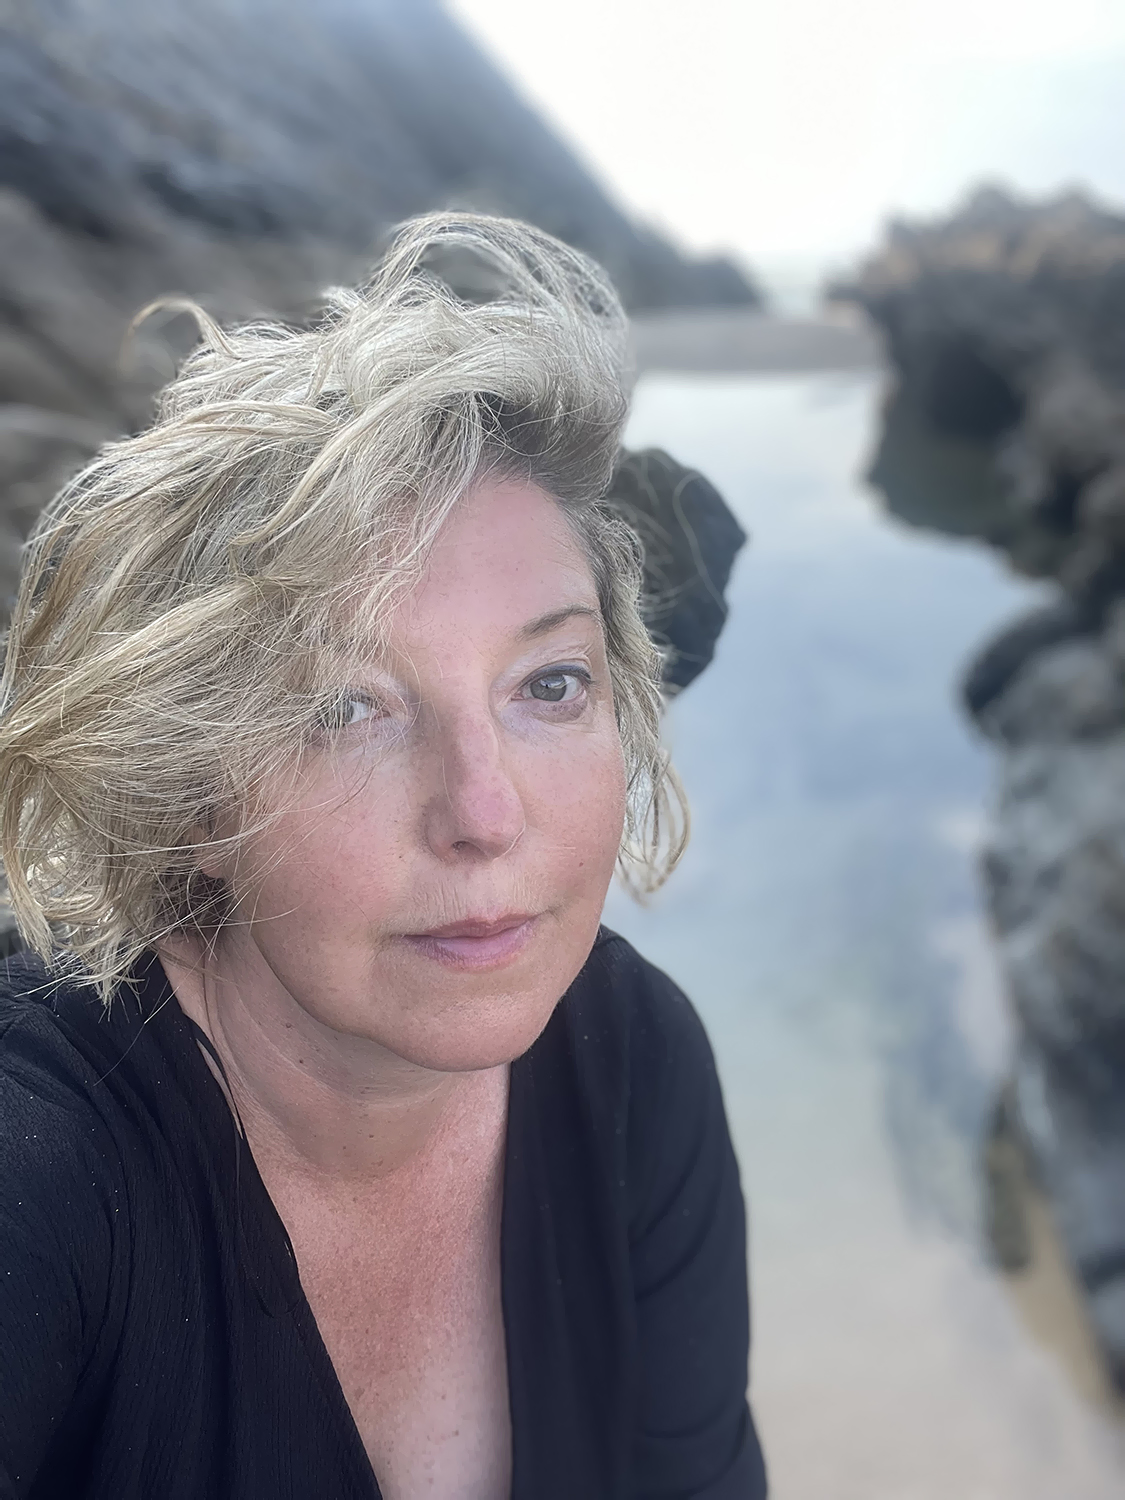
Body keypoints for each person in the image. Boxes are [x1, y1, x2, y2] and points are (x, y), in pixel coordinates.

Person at [0, 213, 767, 1500]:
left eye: (550, 683)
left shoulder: (634, 1061)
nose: (483, 811)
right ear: (191, 792)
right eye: (344, 708)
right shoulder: (47, 1166)